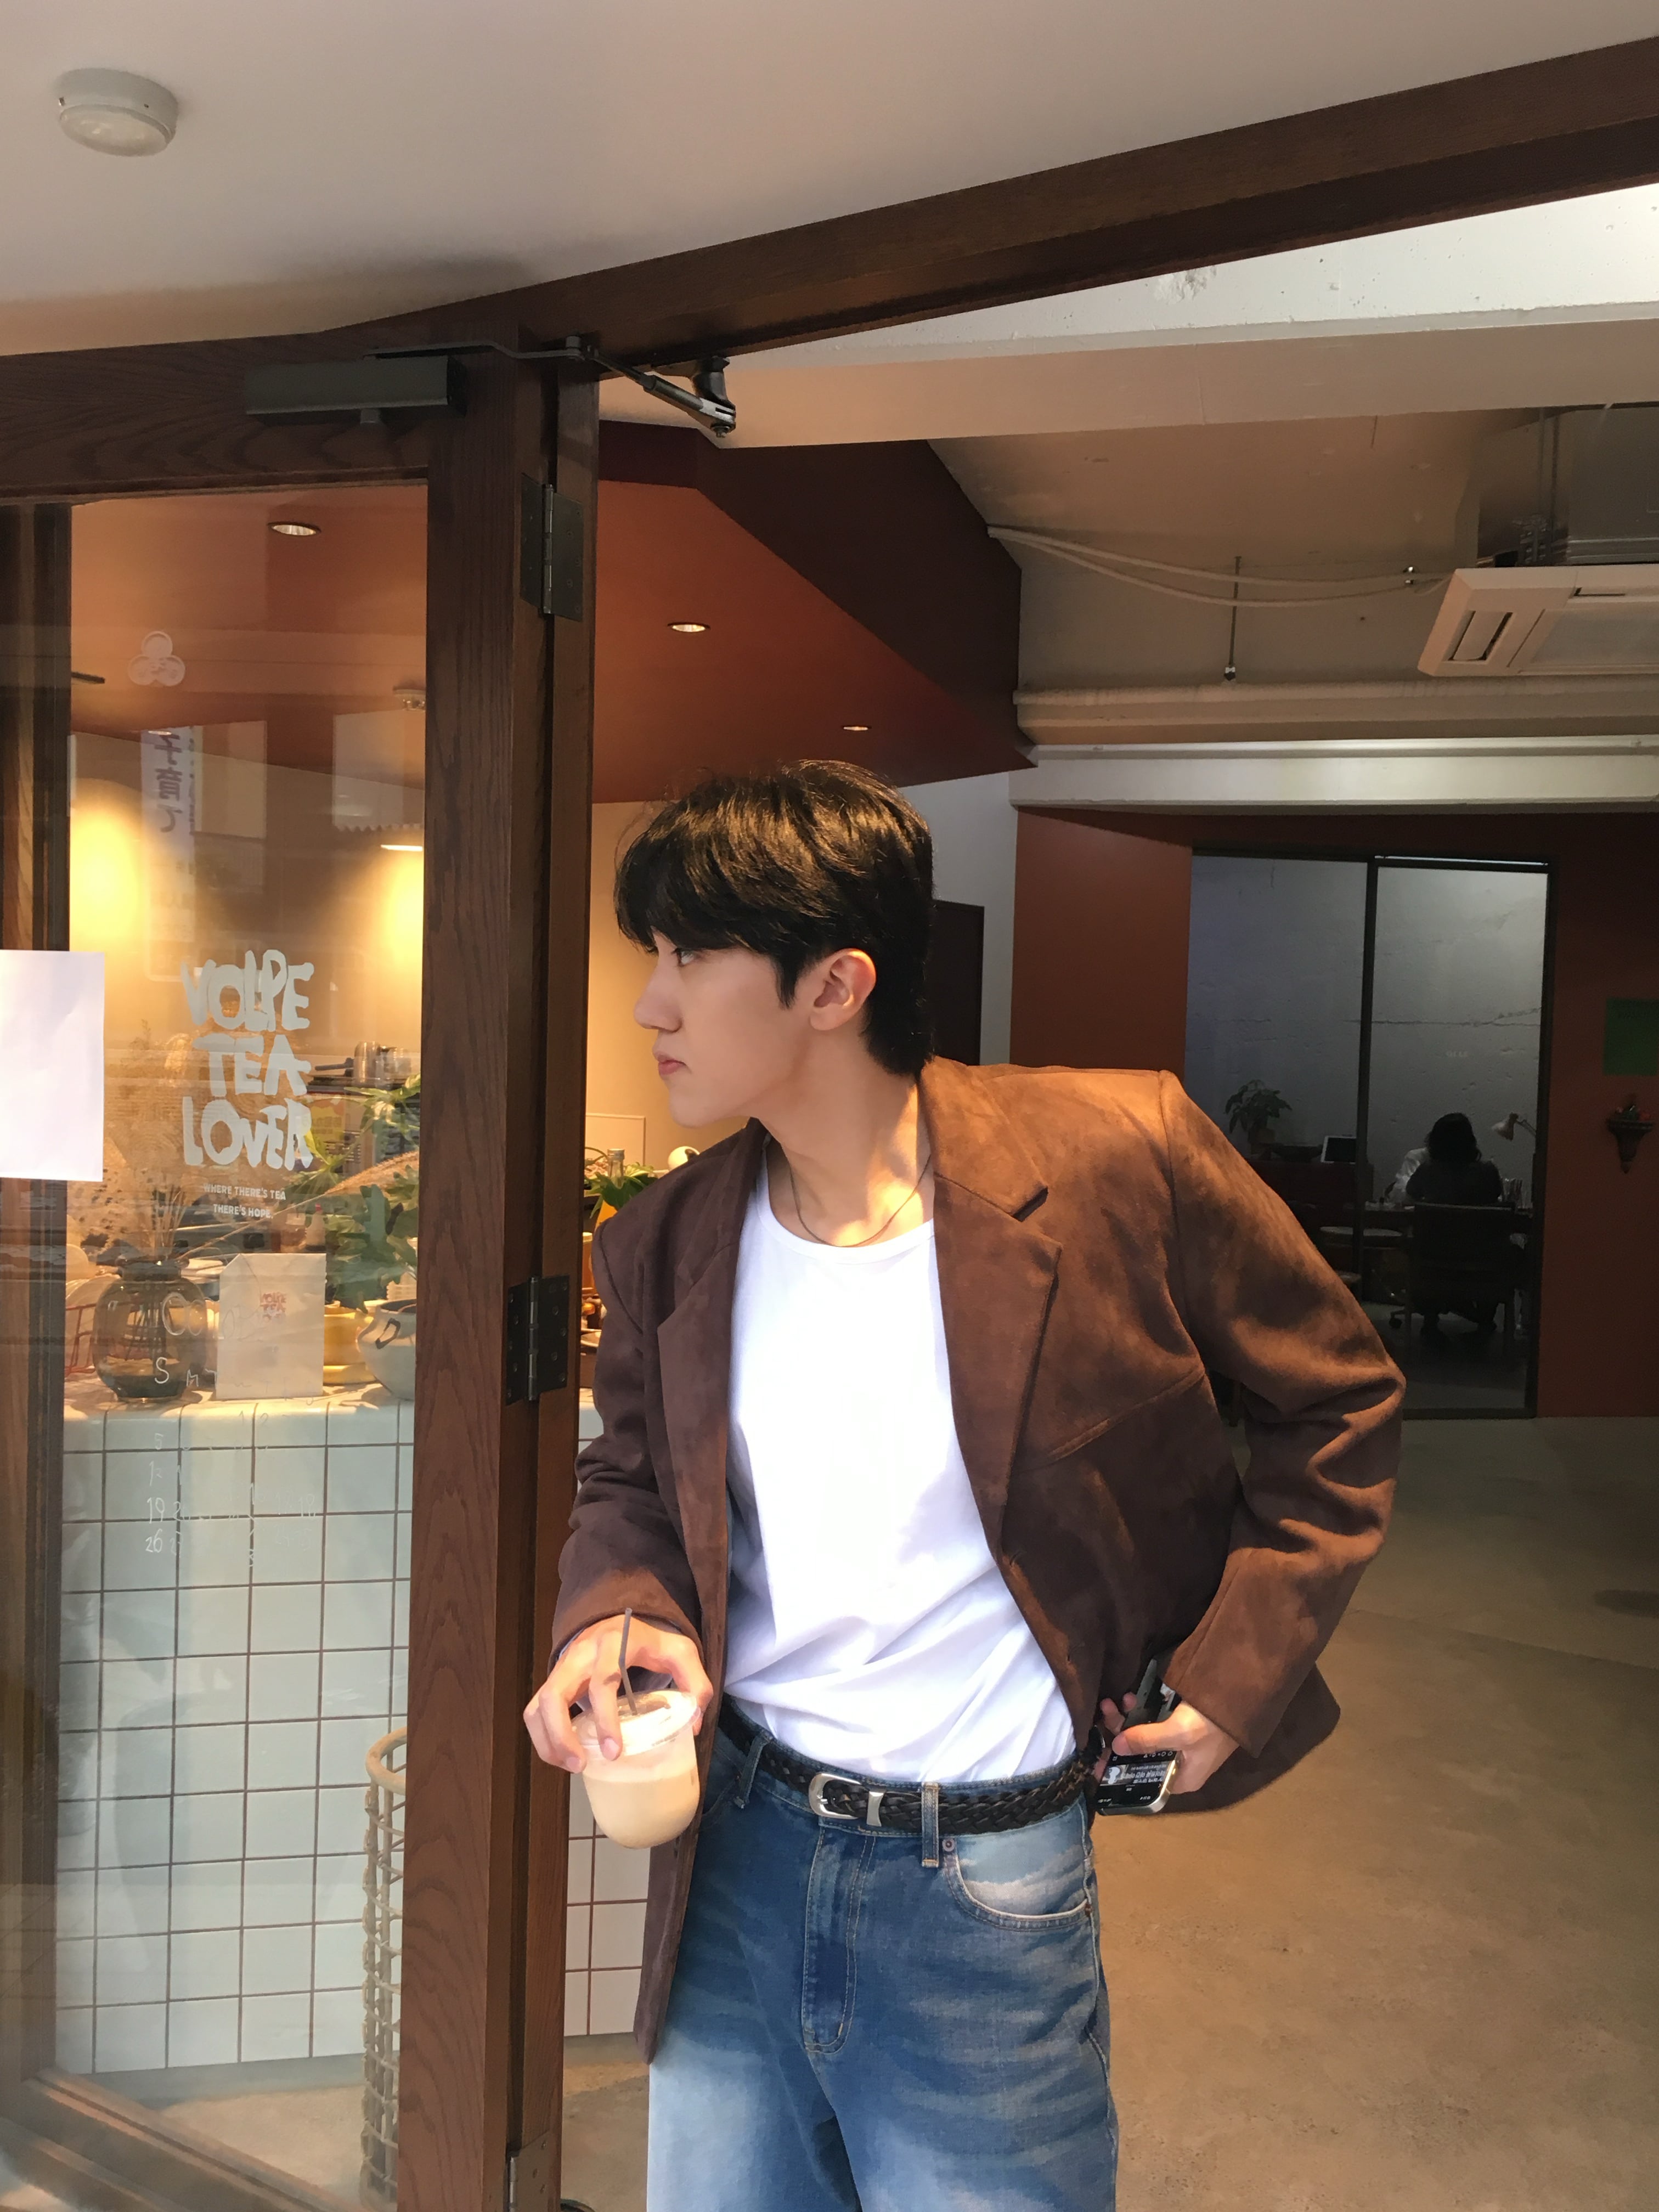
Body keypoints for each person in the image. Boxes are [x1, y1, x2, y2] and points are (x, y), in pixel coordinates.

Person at [523, 762, 1403, 2212]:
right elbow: (629, 1478)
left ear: (835, 985)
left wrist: (1234, 1678)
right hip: (733, 1858)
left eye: (689, 956)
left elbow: (1340, 1399)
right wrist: (618, 1619)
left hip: (984, 1892)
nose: (650, 1006)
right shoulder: (671, 1239)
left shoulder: (1119, 1159)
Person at [1403, 1113, 1505, 1207]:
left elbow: (1410, 1197)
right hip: (1477, 1221)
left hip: (1437, 1221)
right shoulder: (1488, 1172)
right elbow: (1496, 1197)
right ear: (1470, 1141)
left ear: (1435, 1142)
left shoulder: (1426, 1172)